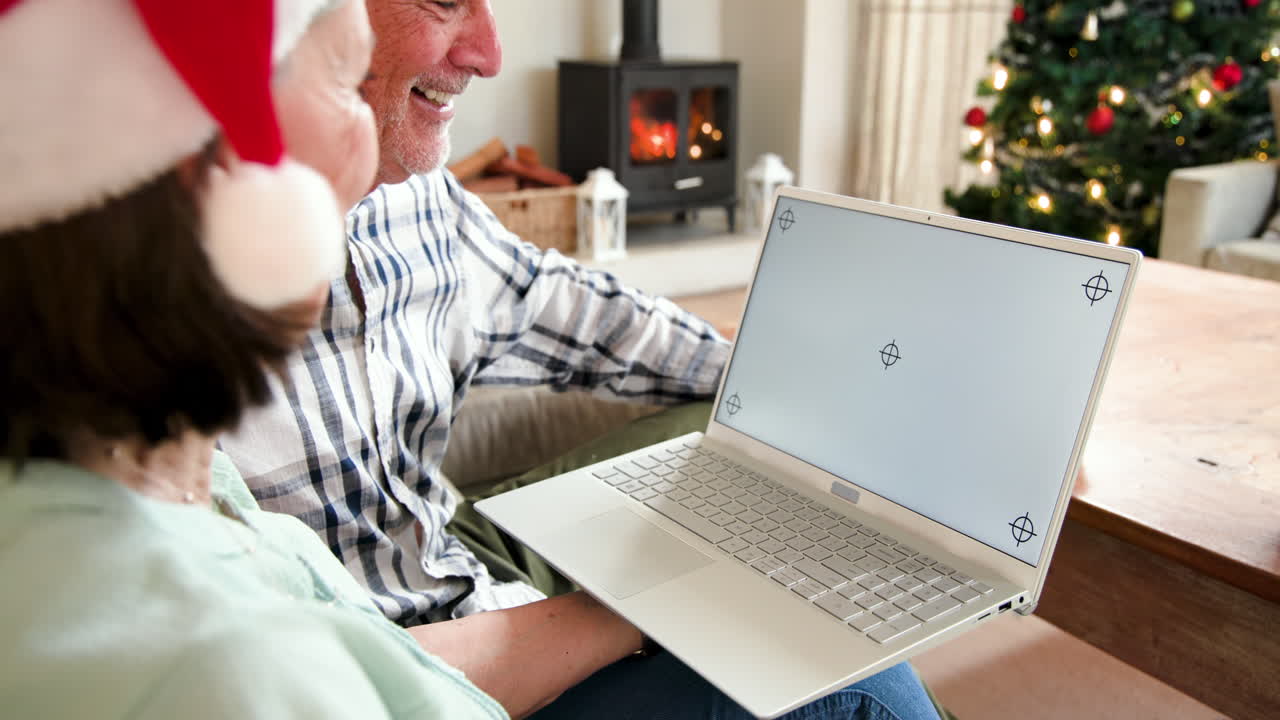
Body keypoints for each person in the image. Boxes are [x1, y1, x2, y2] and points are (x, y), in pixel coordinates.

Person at [220, 1, 947, 718]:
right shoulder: (165, 282)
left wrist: (786, 383)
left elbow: (562, 305)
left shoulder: (410, 197)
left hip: (446, 552)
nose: (490, 54)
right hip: (411, 673)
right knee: (859, 689)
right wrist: (641, 614)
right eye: (444, 1)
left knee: (731, 419)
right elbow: (318, 681)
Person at [0, 0, 503, 717]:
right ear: (221, 169)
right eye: (342, 76)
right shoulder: (228, 676)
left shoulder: (186, 483)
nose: (366, 144)